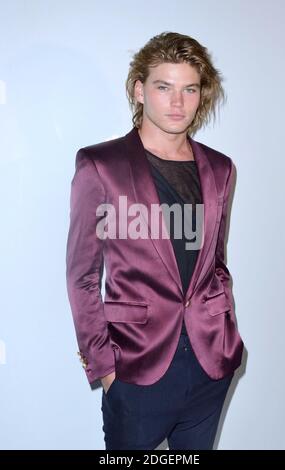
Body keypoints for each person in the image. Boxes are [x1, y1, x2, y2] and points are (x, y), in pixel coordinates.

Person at [66, 31, 244, 450]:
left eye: (189, 89)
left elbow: (216, 263)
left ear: (203, 95)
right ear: (139, 90)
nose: (178, 103)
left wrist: (225, 330)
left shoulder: (220, 168)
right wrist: (105, 367)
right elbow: (82, 276)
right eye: (164, 87)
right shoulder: (100, 165)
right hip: (136, 367)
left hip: (210, 363)